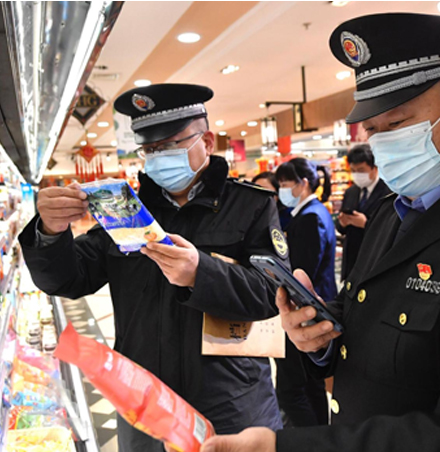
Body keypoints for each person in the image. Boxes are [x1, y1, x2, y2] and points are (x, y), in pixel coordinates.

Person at [201, 12, 440, 452]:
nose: (382, 144)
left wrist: (283, 448)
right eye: (372, 130)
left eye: (396, 124)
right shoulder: (393, 207)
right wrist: (318, 334)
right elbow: (372, 311)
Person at [19, 83, 289, 452]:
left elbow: (272, 293)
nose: (159, 157)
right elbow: (68, 279)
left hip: (231, 400)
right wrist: (50, 232)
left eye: (171, 145)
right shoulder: (125, 212)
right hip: (143, 403)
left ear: (207, 141)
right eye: (150, 149)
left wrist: (201, 273)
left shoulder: (251, 206)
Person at [271, 158, 338, 427]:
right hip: (316, 306)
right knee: (311, 385)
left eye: (285, 183)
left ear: (304, 183)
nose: (282, 190)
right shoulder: (315, 212)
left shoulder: (310, 217)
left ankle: (309, 439)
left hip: (307, 309)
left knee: (292, 389)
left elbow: (303, 270)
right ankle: (320, 435)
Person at [336, 144, 391, 281]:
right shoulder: (351, 192)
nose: (357, 175)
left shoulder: (389, 192)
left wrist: (366, 224)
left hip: (375, 258)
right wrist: (342, 223)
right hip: (352, 259)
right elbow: (340, 228)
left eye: (361, 170)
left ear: (374, 168)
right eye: (353, 170)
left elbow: (390, 228)